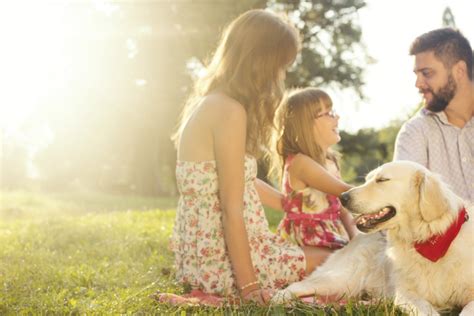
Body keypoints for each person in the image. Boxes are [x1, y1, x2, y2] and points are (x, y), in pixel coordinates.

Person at [170, 9, 321, 305]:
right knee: (339, 258)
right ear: (262, 62)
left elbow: (241, 182)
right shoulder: (229, 111)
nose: (281, 74)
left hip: (202, 256)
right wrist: (250, 288)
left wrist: (288, 203)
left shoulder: (210, 103)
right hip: (223, 262)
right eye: (281, 65)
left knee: (331, 256)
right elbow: (230, 207)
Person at [394, 28, 473, 204]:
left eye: (427, 73)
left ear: (459, 70)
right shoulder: (415, 131)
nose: (418, 83)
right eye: (416, 74)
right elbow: (403, 202)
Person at [273, 88, 358, 253]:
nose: (337, 117)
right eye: (329, 113)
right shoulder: (302, 163)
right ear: (306, 124)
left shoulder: (330, 162)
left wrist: (356, 239)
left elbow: (342, 210)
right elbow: (346, 192)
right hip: (309, 244)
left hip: (334, 238)